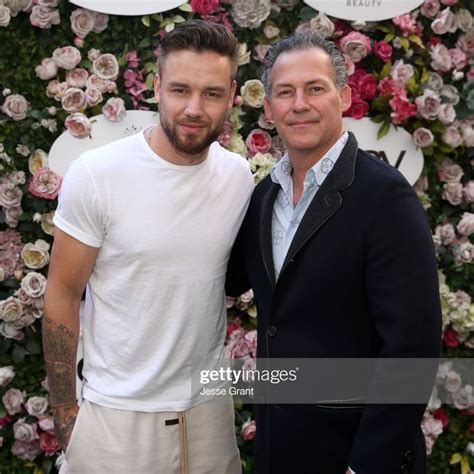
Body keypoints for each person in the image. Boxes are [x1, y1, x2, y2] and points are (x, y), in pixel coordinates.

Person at [43, 20, 254, 474]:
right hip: (116, 419)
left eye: (212, 93)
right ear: (156, 86)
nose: (194, 108)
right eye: (180, 89)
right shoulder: (98, 175)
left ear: (233, 94)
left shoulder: (238, 176)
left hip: (210, 416)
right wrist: (67, 418)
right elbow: (61, 294)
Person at [226, 31, 442, 474]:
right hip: (279, 451)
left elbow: (412, 349)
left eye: (315, 88)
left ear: (343, 96)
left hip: (355, 455)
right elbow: (227, 281)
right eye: (285, 92)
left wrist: (366, 465)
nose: (299, 104)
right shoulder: (264, 196)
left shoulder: (385, 197)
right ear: (268, 108)